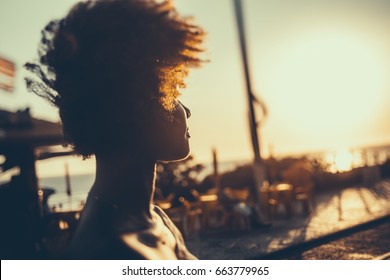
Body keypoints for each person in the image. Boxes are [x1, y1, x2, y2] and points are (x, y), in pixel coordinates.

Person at [25, 0, 205, 259]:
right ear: (135, 107)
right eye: (170, 93)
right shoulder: (110, 251)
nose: (185, 110)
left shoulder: (156, 219)